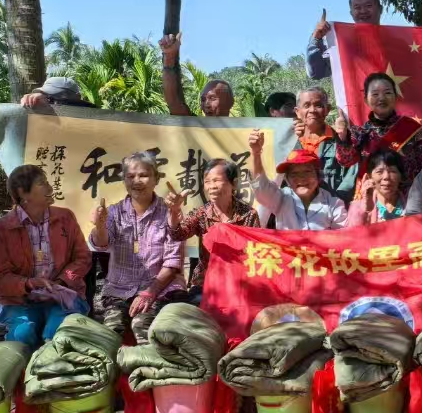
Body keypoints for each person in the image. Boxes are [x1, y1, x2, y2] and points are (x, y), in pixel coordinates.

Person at [0, 165, 92, 347]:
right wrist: (29, 284)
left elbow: (82, 258)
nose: (50, 188)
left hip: (63, 295)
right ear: (23, 192)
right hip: (21, 301)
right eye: (42, 184)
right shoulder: (0, 229)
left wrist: (61, 282)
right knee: (22, 335)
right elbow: (0, 277)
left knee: (57, 335)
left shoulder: (65, 217)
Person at [88, 151, 185, 339]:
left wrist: (149, 292)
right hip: (119, 290)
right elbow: (101, 244)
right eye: (130, 176)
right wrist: (99, 226)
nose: (136, 181)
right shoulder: (114, 212)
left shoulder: (170, 213)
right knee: (111, 332)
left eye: (143, 175)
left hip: (161, 289)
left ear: (156, 179)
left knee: (142, 326)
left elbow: (173, 262)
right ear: (124, 180)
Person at [166, 158, 260, 296]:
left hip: (239, 283)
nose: (211, 186)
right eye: (207, 181)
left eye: (216, 180)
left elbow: (256, 254)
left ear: (234, 184)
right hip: (205, 284)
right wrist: (174, 212)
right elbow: (177, 234)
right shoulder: (201, 213)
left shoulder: (249, 214)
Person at [334, 72, 422, 192]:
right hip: (373, 197)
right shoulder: (361, 133)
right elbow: (345, 161)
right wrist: (342, 137)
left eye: (387, 93)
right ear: (366, 100)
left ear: (396, 96)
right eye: (375, 94)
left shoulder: (412, 128)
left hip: (408, 196)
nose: (381, 98)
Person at [249, 133, 349, 230]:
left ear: (318, 175)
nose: (301, 178)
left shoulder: (333, 203)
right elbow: (261, 188)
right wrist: (256, 153)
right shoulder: (281, 198)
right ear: (287, 179)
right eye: (294, 174)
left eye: (307, 171)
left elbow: (342, 236)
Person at [305, 0, 384, 79]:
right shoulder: (342, 44)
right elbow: (316, 73)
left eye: (368, 5)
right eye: (357, 8)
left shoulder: (395, 41)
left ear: (380, 9)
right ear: (351, 13)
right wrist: (315, 39)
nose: (363, 11)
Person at [292, 86, 354, 199]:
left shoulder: (341, 139)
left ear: (327, 109)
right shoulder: (289, 143)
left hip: (334, 205)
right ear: (297, 111)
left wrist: (336, 203)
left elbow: (350, 177)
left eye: (318, 105)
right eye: (306, 105)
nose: (312, 110)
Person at [159, 33, 234, 117]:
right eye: (203, 100)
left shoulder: (244, 125)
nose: (206, 104)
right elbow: (174, 103)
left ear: (230, 102)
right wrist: (169, 57)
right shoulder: (195, 124)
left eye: (212, 98)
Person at [346, 149, 409, 226]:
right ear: (369, 177)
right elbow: (353, 231)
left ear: (401, 176)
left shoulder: (411, 201)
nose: (386, 177)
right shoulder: (358, 207)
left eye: (392, 171)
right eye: (379, 172)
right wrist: (366, 207)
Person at [19, 76, 98, 111]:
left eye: (51, 99)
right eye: (45, 96)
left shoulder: (91, 113)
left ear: (77, 100)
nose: (51, 103)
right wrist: (29, 102)